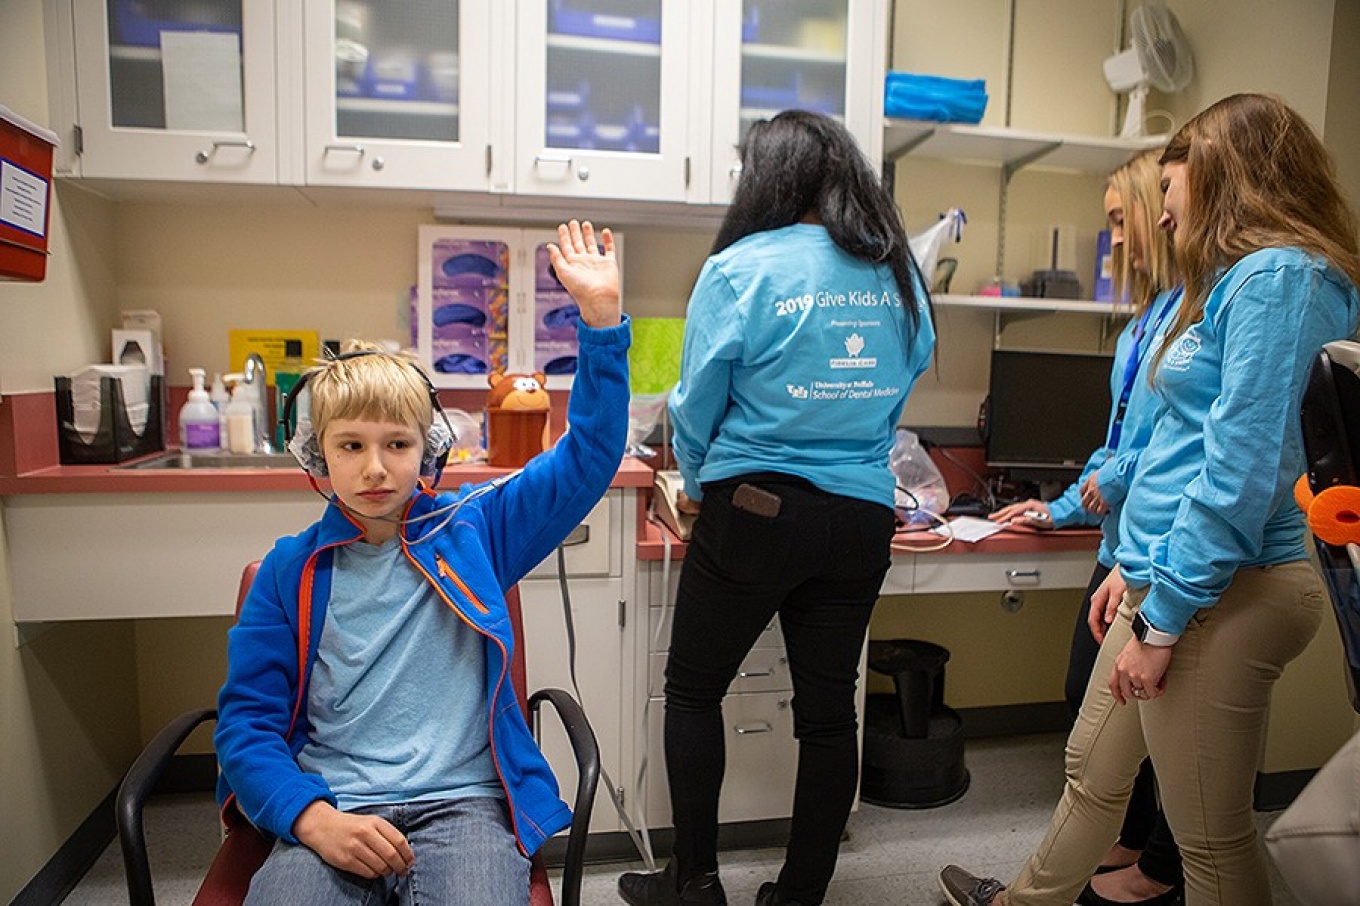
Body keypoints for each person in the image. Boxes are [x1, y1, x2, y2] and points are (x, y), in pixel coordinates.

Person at [940, 92, 1360, 905]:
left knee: (1207, 835)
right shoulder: (1229, 284)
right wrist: (1133, 566)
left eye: (1168, 198)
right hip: (1171, 574)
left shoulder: (1285, 280)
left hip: (1226, 590)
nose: (1161, 221)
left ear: (1224, 180)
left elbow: (1240, 474)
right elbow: (1171, 444)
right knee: (1092, 772)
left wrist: (1162, 612)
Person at [212, 220, 629, 905]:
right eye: (350, 447)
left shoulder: (477, 528)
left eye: (397, 444)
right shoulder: (288, 574)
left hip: (464, 806)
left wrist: (601, 322)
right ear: (315, 455)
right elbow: (247, 727)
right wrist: (313, 820)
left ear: (430, 449)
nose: (375, 468)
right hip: (334, 803)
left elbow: (589, 457)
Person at [617, 109, 936, 906]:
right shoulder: (898, 274)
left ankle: (695, 885)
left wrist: (695, 479)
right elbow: (906, 377)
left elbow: (694, 407)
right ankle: (798, 895)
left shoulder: (742, 269)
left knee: (695, 690)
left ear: (768, 178)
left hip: (757, 511)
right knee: (829, 714)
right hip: (861, 517)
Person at [989, 148, 1187, 906]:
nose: (1114, 241)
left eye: (1118, 220)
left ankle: (1156, 865)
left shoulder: (1191, 312)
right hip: (1118, 542)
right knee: (1090, 696)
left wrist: (1109, 481)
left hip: (1156, 547)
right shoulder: (1145, 318)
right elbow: (1119, 437)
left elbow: (1167, 443)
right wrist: (1063, 505)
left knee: (1151, 725)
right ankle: (1133, 841)